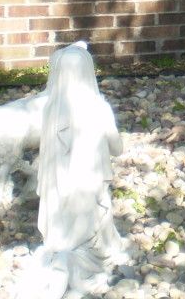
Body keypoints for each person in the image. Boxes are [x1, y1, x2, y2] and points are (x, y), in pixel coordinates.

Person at [30, 42, 125, 298]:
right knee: (98, 214)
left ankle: (60, 258)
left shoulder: (50, 109)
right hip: (89, 196)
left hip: (57, 200)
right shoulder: (98, 107)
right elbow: (117, 148)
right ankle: (82, 257)